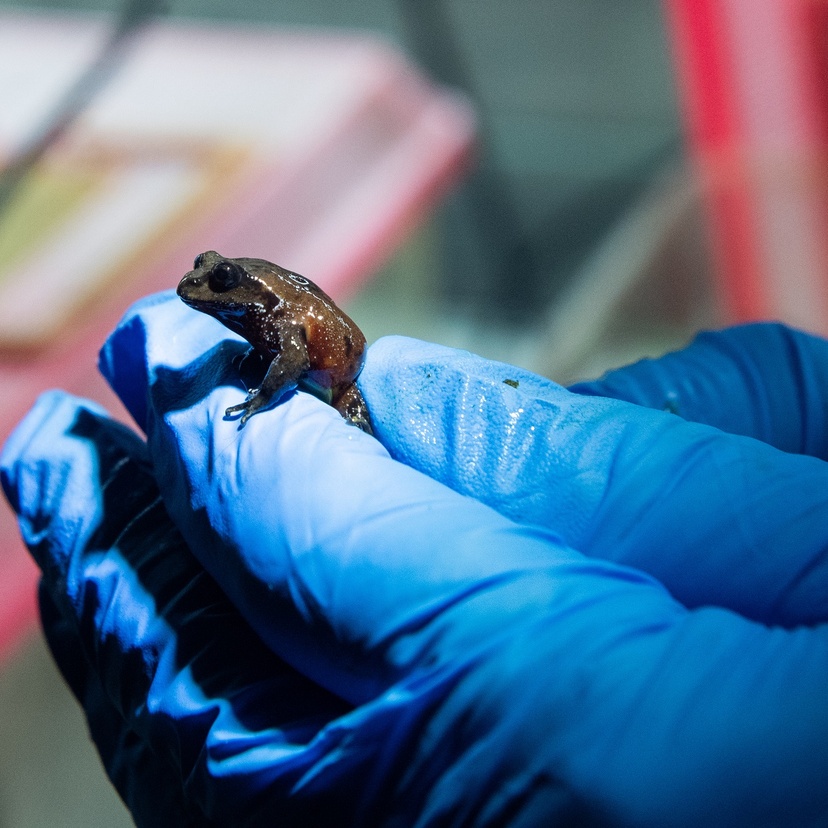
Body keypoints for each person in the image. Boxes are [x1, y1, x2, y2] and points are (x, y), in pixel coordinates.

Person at [2, 290, 827, 827]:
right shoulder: (250, 308)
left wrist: (262, 398)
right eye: (209, 285)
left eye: (219, 288)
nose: (205, 295)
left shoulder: (274, 317)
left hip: (346, 369)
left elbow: (296, 351)